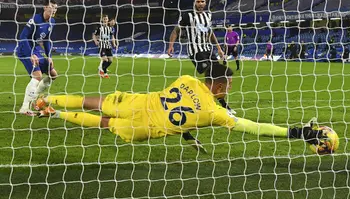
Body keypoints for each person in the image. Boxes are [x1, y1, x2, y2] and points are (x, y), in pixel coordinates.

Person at [33, 63, 325, 151]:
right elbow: (253, 128)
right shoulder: (214, 113)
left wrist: (189, 131)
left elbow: (186, 101)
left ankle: (49, 100)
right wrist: (297, 132)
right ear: (221, 86)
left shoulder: (186, 78)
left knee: (93, 101)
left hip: (138, 102)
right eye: (228, 86)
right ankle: (56, 114)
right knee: (103, 125)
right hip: (144, 128)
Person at [167, 0, 233, 114]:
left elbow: (210, 33)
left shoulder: (208, 16)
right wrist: (171, 46)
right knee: (211, 75)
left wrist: (218, 48)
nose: (200, 4)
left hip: (208, 50)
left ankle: (223, 105)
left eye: (202, 1)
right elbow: (176, 30)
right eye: (198, 2)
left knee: (217, 77)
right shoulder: (188, 16)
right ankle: (208, 104)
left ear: (205, 3)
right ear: (194, 3)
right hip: (196, 51)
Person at [17, 0, 58, 116]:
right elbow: (23, 37)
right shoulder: (35, 19)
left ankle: (35, 97)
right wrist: (31, 54)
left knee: (53, 74)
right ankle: (25, 108)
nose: (53, 9)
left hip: (36, 50)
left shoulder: (52, 22)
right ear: (45, 7)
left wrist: (49, 56)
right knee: (37, 76)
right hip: (25, 50)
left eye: (55, 7)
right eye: (51, 7)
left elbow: (46, 40)